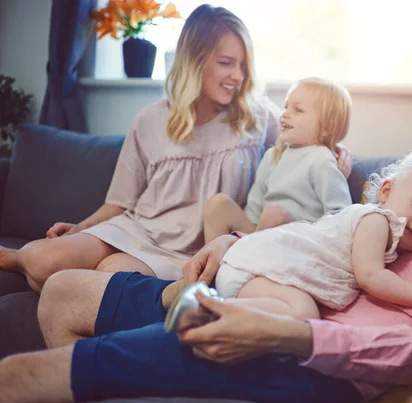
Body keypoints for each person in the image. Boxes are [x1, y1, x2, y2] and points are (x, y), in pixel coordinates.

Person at [0, 67, 412, 403]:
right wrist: (233, 246)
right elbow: (335, 231)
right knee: (63, 292)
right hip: (278, 287)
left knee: (23, 375)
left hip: (308, 351)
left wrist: (285, 333)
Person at [0, 5, 350, 293]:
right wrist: (81, 226)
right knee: (42, 262)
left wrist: (336, 154)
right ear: (194, 60)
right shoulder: (150, 120)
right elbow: (118, 203)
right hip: (136, 229)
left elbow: (306, 139)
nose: (238, 76)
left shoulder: (256, 117)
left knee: (98, 278)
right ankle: (13, 258)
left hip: (189, 251)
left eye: (243, 65)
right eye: (226, 62)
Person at [173, 150, 412, 322]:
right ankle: (208, 308)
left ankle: (211, 305)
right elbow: (371, 277)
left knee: (299, 312)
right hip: (259, 270)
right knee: (303, 314)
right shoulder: (376, 220)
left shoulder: (377, 228)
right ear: (386, 192)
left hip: (261, 272)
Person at [202, 77, 353, 245]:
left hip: (301, 241)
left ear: (327, 128)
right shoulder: (273, 155)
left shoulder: (322, 160)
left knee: (275, 214)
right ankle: (215, 263)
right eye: (286, 106)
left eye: (298, 110)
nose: (285, 114)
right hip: (260, 233)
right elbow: (254, 206)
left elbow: (342, 216)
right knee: (218, 204)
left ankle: (245, 260)